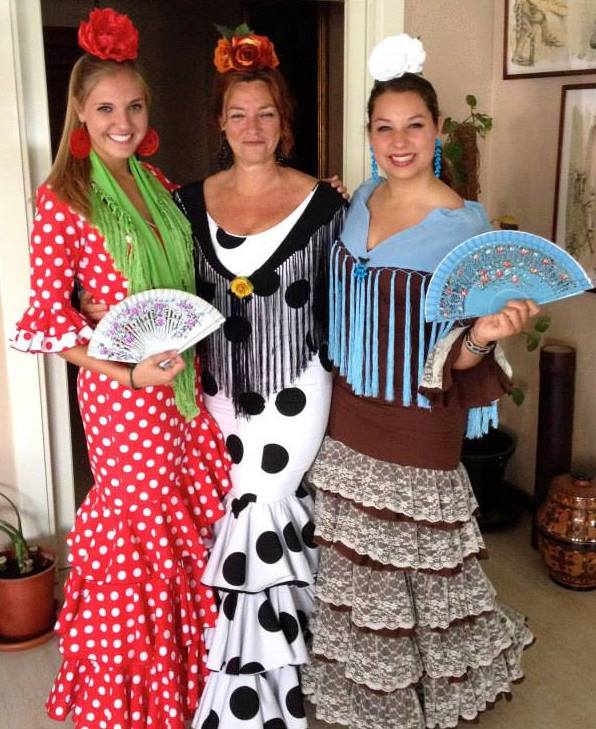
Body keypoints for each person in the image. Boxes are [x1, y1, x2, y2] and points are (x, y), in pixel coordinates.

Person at [302, 34, 537, 729]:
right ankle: (362, 689)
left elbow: (457, 358)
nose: (398, 140)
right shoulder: (358, 200)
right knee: (354, 564)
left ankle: (414, 699)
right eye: (384, 126)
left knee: (413, 572)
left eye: (414, 126)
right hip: (348, 411)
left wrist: (484, 336)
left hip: (416, 421)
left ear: (437, 132)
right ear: (368, 134)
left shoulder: (463, 227)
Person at [10, 9, 231, 729]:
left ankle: (180, 682)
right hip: (123, 394)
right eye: (105, 106)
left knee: (179, 531)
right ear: (79, 110)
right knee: (136, 540)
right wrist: (127, 371)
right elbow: (49, 322)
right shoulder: (63, 199)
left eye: (134, 105)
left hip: (182, 385)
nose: (122, 119)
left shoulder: (159, 180)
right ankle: (128, 702)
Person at [169, 27, 346, 729]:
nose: (252, 127)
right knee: (228, 520)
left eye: (266, 114)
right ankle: (246, 683)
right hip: (216, 393)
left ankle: (257, 700)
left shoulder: (328, 203)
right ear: (220, 122)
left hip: (296, 388)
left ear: (285, 123)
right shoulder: (185, 202)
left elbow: (351, 290)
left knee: (264, 509)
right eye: (238, 114)